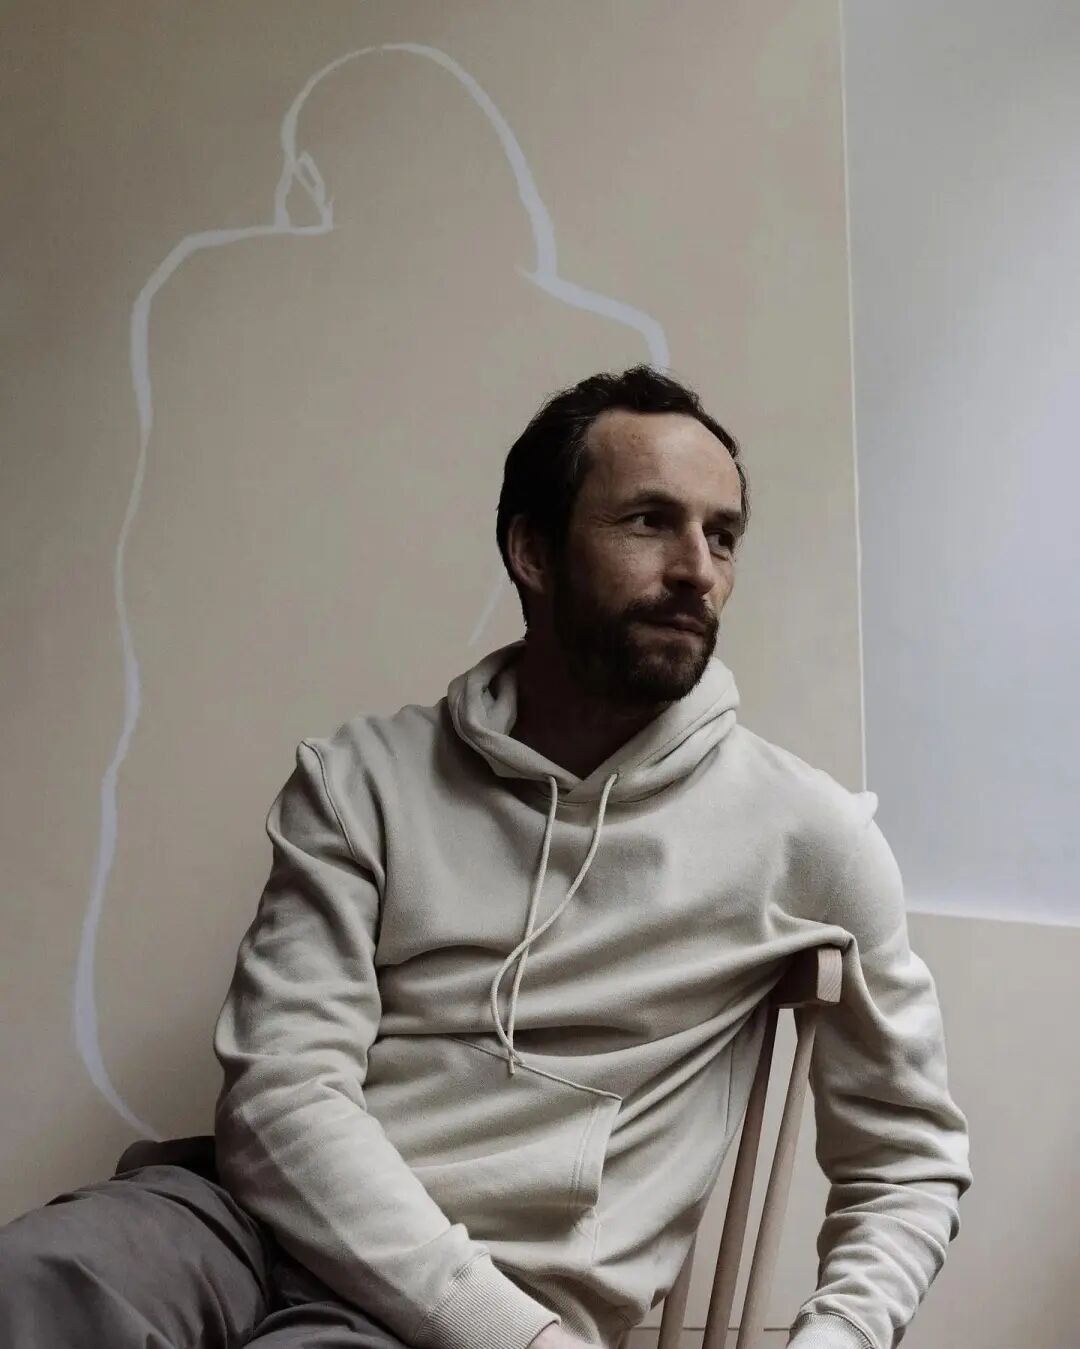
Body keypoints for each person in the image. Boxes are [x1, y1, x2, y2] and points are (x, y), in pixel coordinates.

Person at [0, 365, 972, 1349]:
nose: (697, 568)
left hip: (495, 1306)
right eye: (650, 521)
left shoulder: (808, 835)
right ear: (532, 550)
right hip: (239, 1222)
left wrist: (834, 1337)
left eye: (721, 535)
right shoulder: (362, 778)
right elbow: (281, 1092)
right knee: (40, 1274)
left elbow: (907, 1159)